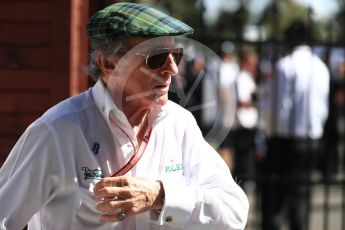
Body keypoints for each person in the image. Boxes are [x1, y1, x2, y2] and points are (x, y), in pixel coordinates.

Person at [0, 2, 249, 230]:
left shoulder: (179, 123)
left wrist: (161, 196)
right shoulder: (57, 130)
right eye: (157, 57)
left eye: (177, 55)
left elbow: (234, 212)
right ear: (108, 64)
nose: (172, 68)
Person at [261, 19, 330, 230]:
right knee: (301, 196)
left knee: (276, 200)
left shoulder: (286, 65)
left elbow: (279, 108)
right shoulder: (320, 67)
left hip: (286, 140)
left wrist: (267, 134)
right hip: (312, 139)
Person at [231, 48, 259, 189]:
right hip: (243, 124)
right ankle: (240, 184)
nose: (254, 65)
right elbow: (241, 101)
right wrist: (256, 99)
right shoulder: (242, 77)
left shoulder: (247, 77)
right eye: (252, 62)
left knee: (247, 157)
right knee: (242, 158)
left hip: (248, 123)